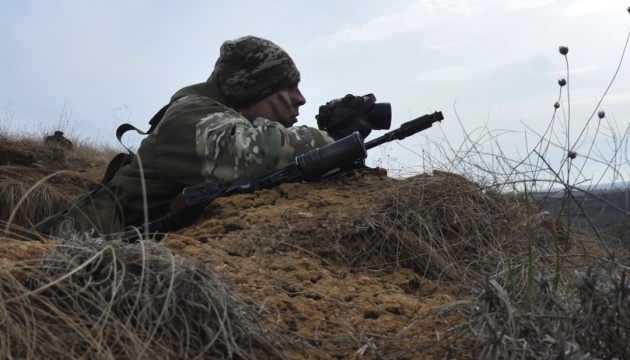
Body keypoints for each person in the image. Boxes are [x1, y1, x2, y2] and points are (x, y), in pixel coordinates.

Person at [30, 35, 374, 238]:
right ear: (255, 88)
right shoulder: (190, 116)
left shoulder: (219, 119)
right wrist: (332, 138)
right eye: (289, 87)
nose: (301, 98)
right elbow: (258, 156)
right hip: (64, 247)